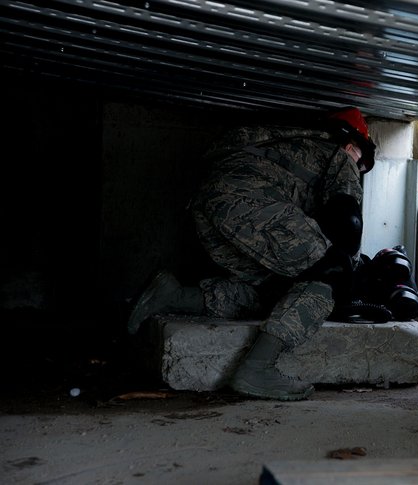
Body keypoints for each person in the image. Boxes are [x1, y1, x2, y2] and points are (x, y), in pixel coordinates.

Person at [127, 107, 375, 401]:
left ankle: (174, 296)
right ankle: (257, 368)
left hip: (209, 208)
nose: (358, 169)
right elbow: (349, 220)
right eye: (360, 162)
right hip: (254, 203)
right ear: (352, 146)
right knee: (331, 272)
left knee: (272, 291)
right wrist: (347, 274)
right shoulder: (338, 155)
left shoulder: (288, 144)